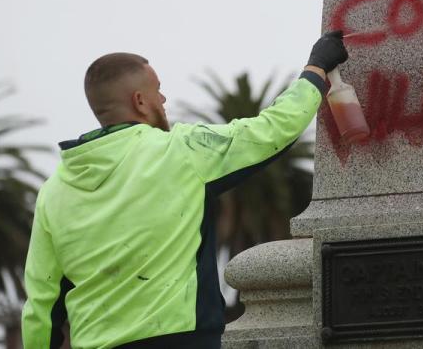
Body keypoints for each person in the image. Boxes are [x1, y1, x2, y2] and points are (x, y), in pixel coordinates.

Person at [21, 31, 348, 348]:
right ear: (139, 101)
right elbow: (273, 131)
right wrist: (316, 70)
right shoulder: (180, 150)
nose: (163, 100)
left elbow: (42, 304)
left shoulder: (54, 191)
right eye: (158, 90)